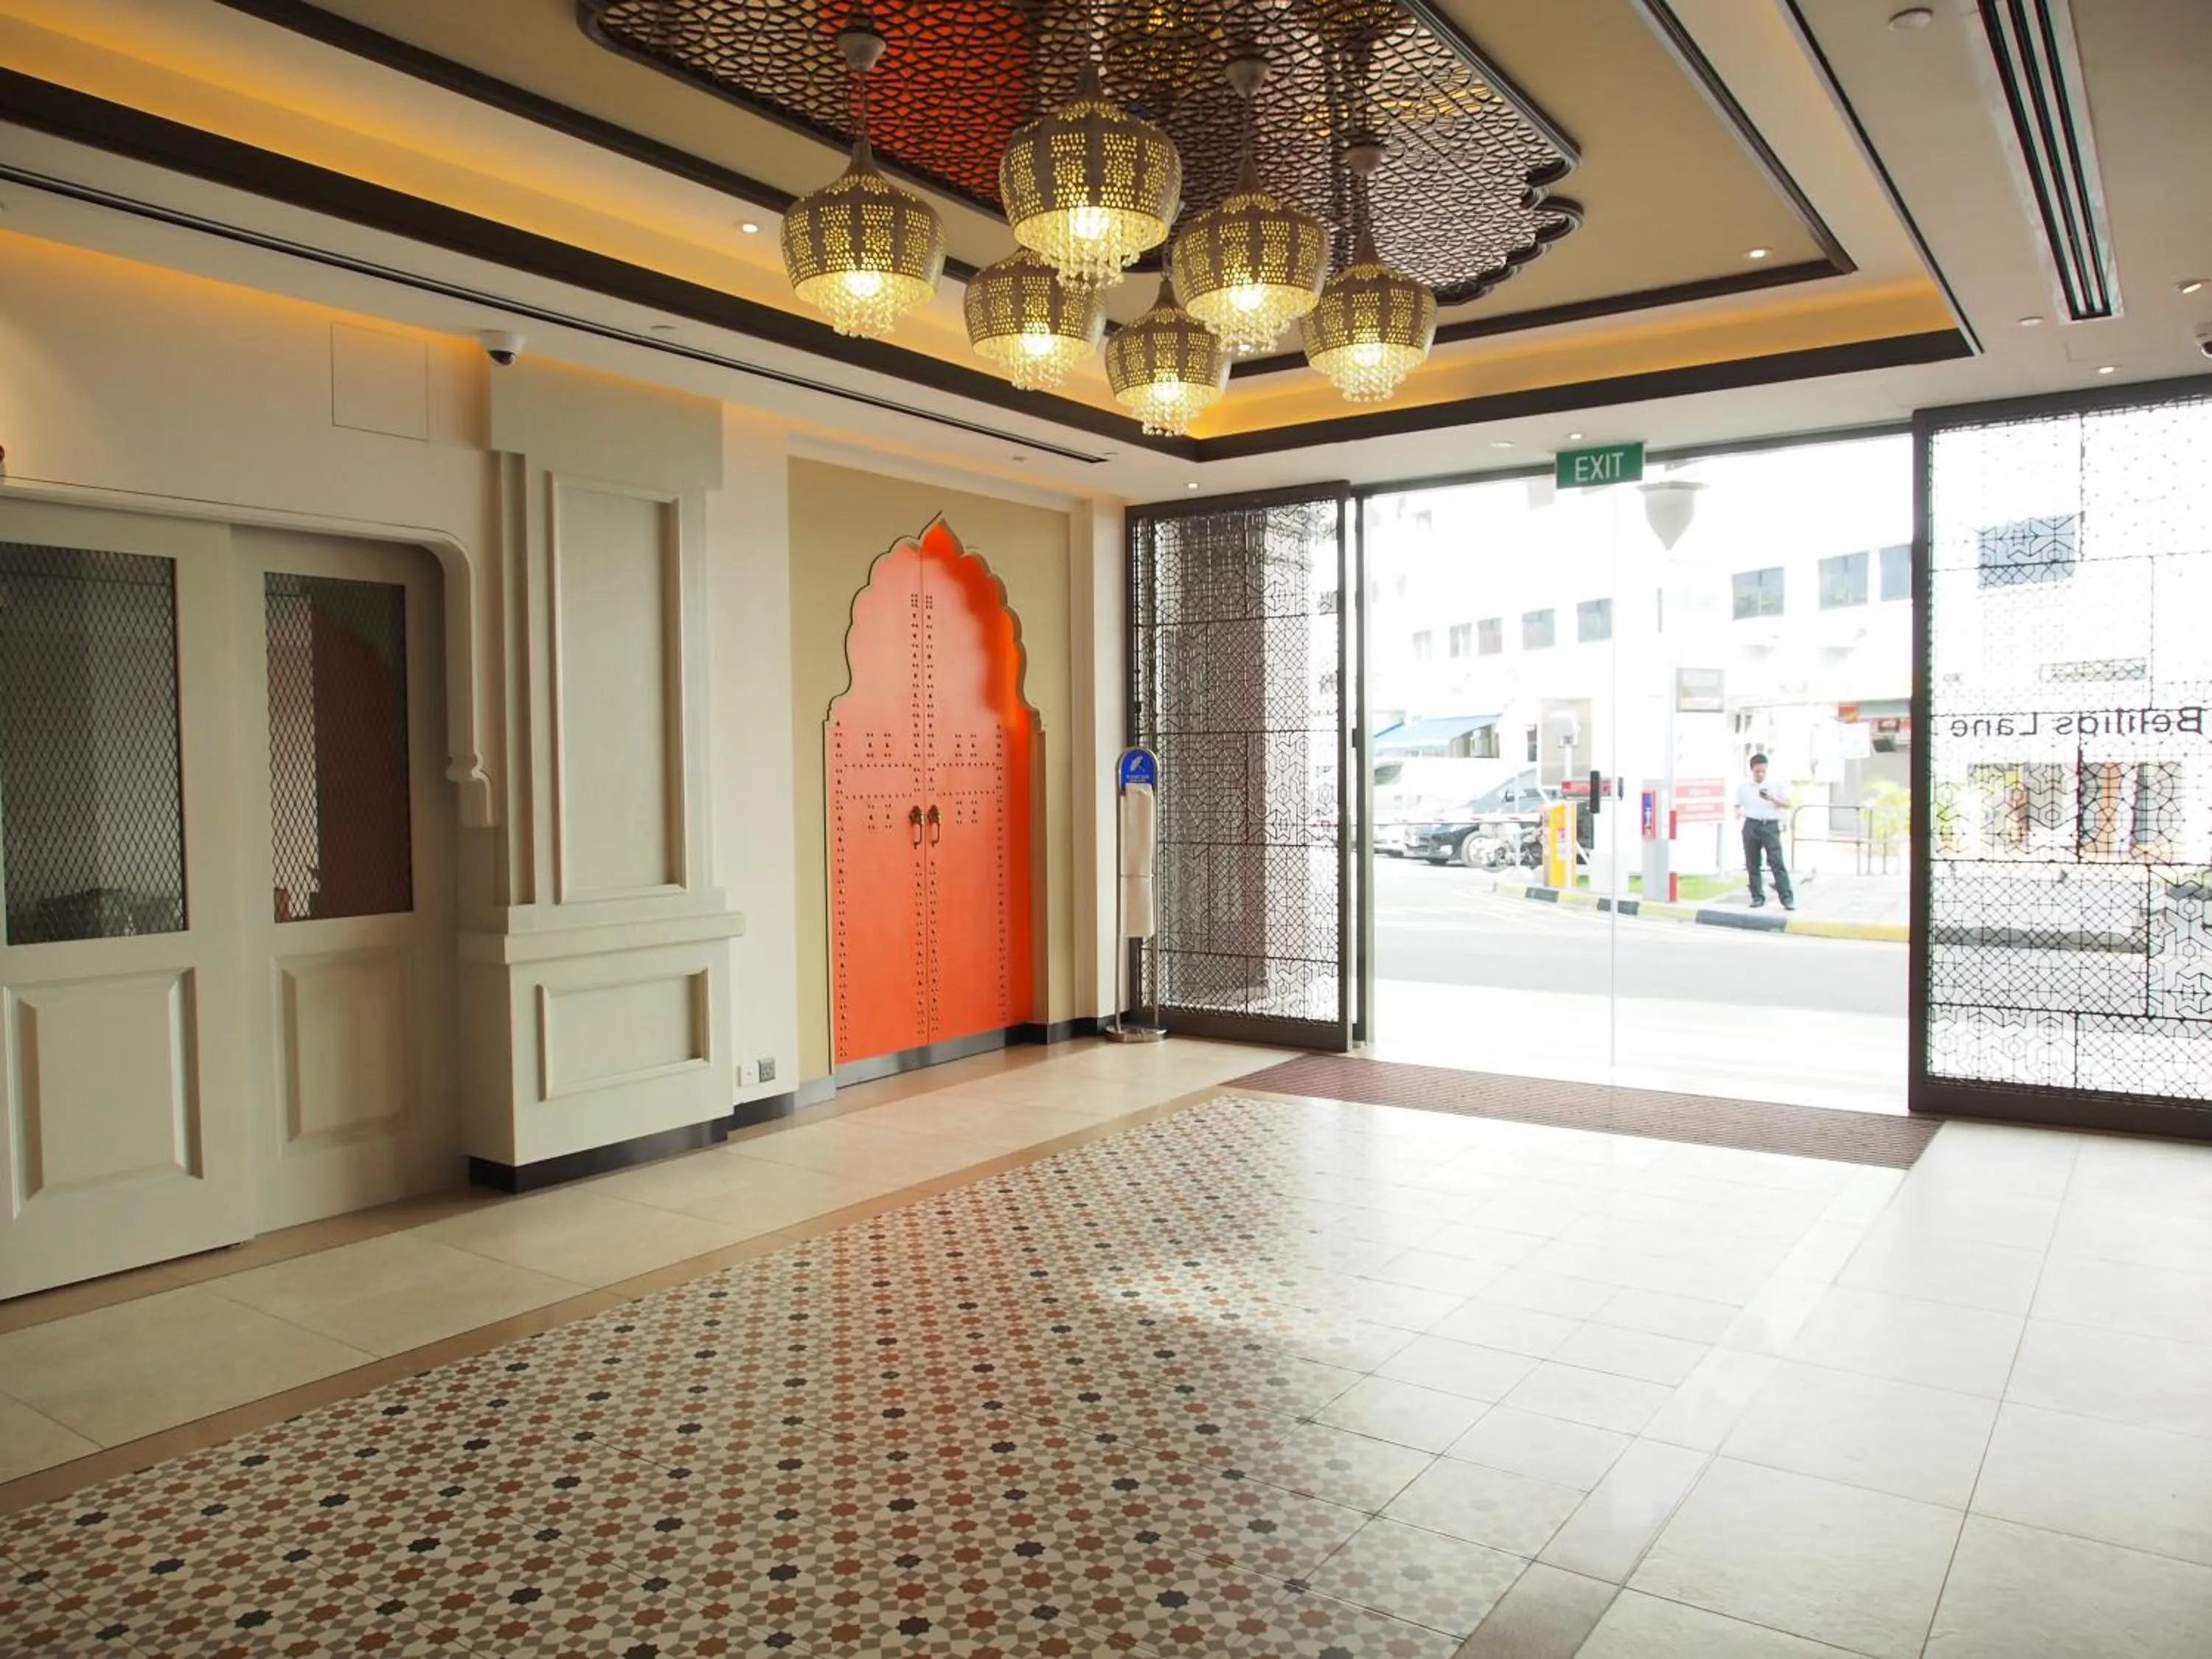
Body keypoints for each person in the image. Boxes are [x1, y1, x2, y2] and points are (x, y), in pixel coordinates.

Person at [1738, 753, 1795, 910]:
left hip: (1770, 825)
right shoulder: (1744, 787)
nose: (1761, 774)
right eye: (1757, 771)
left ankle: (1787, 898)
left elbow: (1788, 803)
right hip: (1751, 824)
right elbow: (1737, 804)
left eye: (1763, 771)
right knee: (1752, 863)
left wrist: (1772, 798)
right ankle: (1757, 897)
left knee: (1776, 861)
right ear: (1752, 770)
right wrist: (1737, 812)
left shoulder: (1776, 784)